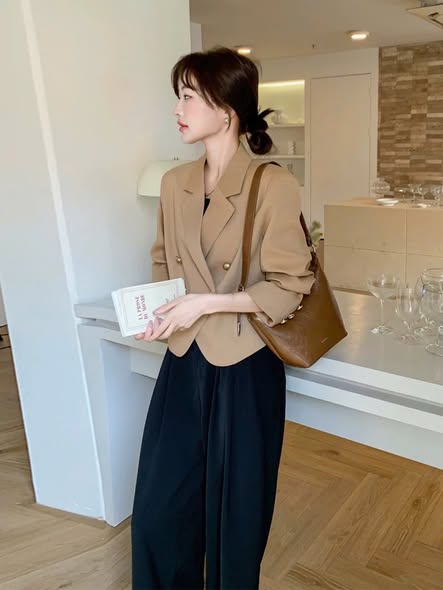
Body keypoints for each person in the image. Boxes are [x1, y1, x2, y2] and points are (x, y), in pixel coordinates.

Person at [131, 47, 314, 590]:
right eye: (179, 96)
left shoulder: (272, 184)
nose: (177, 109)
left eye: (189, 96)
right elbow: (163, 260)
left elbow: (291, 284)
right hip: (184, 357)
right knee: (160, 507)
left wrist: (205, 302)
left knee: (236, 514)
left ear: (227, 108)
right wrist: (162, 312)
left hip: (244, 363)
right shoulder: (174, 182)